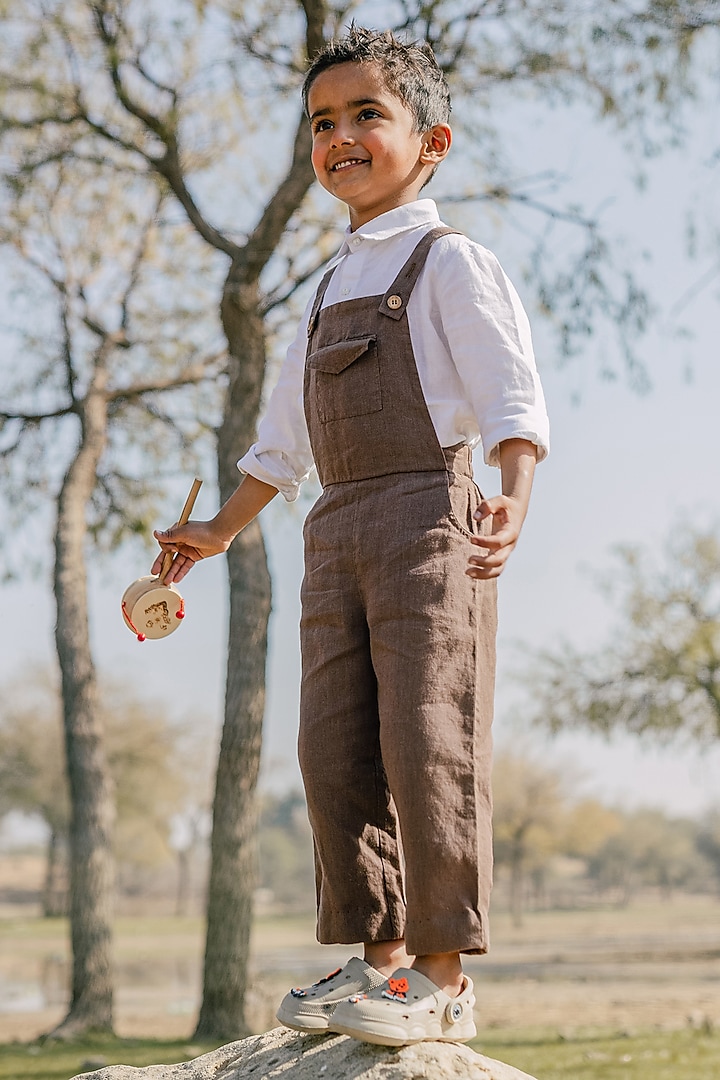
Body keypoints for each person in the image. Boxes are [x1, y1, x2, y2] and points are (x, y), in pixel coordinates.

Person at [153, 26, 549, 1048]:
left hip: (430, 519)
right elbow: (279, 445)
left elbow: (511, 393)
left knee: (429, 735)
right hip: (333, 535)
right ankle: (372, 960)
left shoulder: (449, 261)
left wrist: (513, 489)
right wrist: (215, 534)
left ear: (432, 141)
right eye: (323, 123)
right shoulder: (325, 289)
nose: (341, 138)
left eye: (368, 113)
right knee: (332, 746)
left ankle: (443, 972)